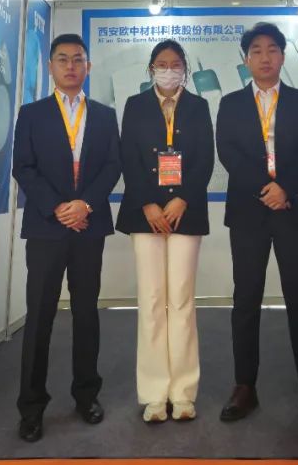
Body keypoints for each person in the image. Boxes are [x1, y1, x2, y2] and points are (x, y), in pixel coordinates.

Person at [12, 34, 121, 443]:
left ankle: (86, 395)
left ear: (88, 67)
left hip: (89, 226)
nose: (71, 66)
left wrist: (85, 205)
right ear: (51, 67)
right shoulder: (32, 114)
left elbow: (113, 165)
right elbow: (23, 167)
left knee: (86, 312)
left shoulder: (105, 115)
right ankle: (31, 406)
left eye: (78, 59)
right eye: (63, 59)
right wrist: (58, 207)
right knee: (39, 315)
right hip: (46, 227)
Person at [215, 22, 298, 422]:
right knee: (246, 299)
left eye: (272, 49)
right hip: (249, 212)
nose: (265, 57)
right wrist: (266, 188)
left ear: (283, 56)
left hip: (292, 209)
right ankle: (245, 386)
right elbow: (228, 152)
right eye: (256, 50)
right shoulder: (230, 104)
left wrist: (285, 189)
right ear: (246, 59)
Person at [117, 40, 214, 424]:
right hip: (146, 214)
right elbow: (128, 158)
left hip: (185, 213)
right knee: (153, 301)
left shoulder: (198, 107)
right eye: (161, 64)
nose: (168, 70)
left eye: (175, 64)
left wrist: (182, 199)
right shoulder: (135, 105)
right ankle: (155, 395)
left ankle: (183, 393)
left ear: (185, 69)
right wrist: (148, 203)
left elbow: (205, 159)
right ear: (151, 69)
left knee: (182, 300)